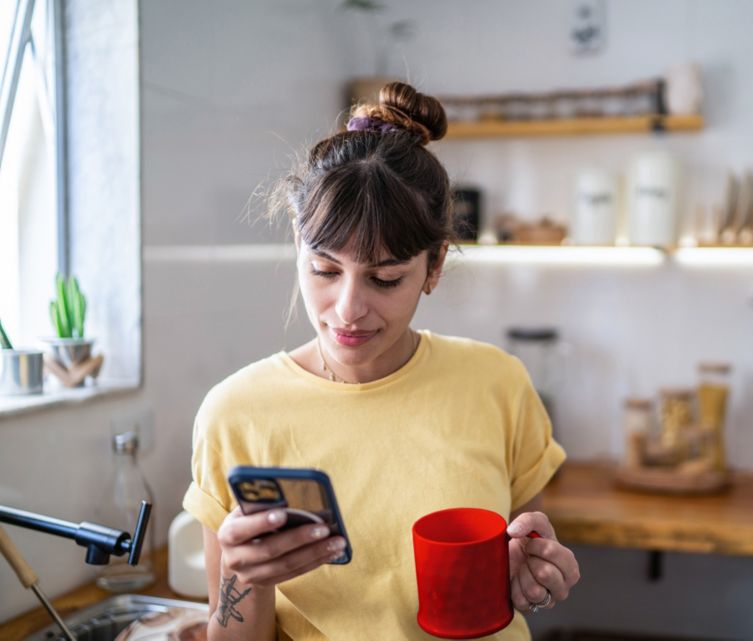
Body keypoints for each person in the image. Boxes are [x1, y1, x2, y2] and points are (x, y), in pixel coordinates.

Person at [182, 82, 580, 641]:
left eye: (386, 278)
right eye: (325, 270)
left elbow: (521, 558)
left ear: (434, 265)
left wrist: (535, 576)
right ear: (297, 243)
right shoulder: (235, 413)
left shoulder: (498, 383)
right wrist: (245, 579)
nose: (348, 309)